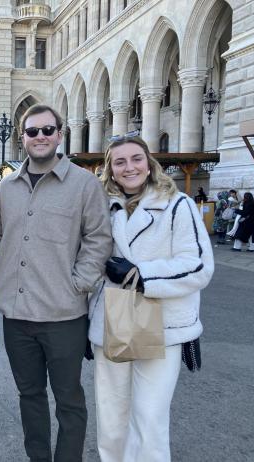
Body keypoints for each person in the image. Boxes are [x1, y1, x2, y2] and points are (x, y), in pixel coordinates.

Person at [0, 104, 112, 462]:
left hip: (64, 316)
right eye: (32, 131)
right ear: (22, 137)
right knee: (29, 396)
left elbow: (98, 238)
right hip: (16, 317)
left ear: (60, 134)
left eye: (47, 130)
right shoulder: (5, 188)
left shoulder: (84, 184)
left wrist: (79, 283)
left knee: (69, 400)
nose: (40, 137)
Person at [88, 134, 214, 462]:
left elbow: (199, 266)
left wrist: (141, 275)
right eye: (120, 161)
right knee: (112, 420)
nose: (129, 167)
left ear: (148, 163)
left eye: (136, 159)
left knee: (150, 419)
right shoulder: (100, 207)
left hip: (161, 325)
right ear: (110, 170)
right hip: (111, 324)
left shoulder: (178, 205)